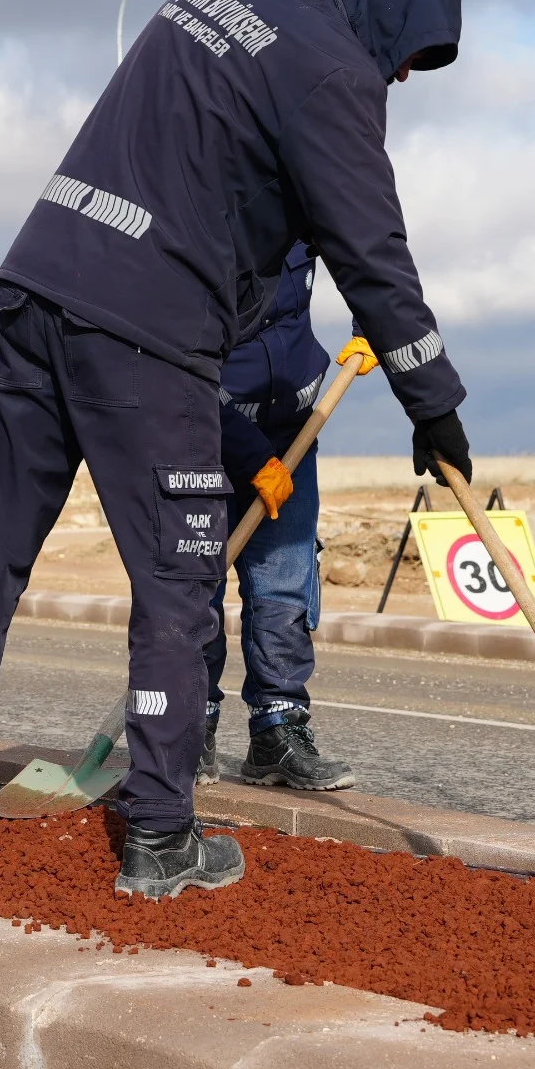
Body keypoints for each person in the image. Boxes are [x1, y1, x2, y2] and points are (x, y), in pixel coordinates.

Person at [0, 0, 473, 900]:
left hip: (34, 289)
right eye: (412, 54)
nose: (401, 76)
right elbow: (371, 252)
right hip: (144, 333)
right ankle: (160, 834)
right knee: (179, 581)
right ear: (400, 13)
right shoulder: (330, 72)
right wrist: (433, 401)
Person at [202, 241, 354, 792]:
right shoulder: (201, 213)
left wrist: (374, 322)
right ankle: (189, 729)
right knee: (195, 587)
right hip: (203, 433)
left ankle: (278, 732)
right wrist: (247, 456)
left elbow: (363, 254)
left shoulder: (303, 212)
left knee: (285, 589)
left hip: (290, 435)